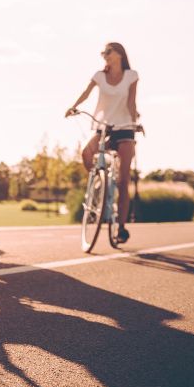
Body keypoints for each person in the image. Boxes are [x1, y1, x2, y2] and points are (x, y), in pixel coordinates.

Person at [65, 42, 140, 243]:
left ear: (119, 54)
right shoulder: (99, 75)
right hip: (104, 126)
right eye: (103, 53)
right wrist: (74, 107)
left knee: (124, 180)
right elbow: (86, 92)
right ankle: (100, 183)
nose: (104, 55)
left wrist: (135, 123)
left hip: (125, 127)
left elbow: (131, 102)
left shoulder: (131, 76)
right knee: (86, 153)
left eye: (108, 52)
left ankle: (121, 228)